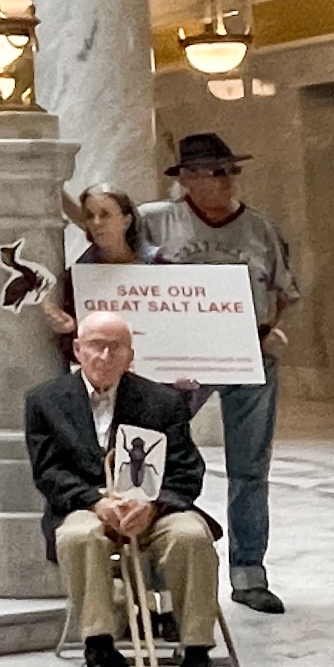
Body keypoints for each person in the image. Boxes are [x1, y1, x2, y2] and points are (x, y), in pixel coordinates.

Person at [25, 312, 228, 667]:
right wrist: (96, 501)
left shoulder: (163, 402)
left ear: (130, 355)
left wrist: (153, 506)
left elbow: (187, 471)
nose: (104, 355)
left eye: (115, 347)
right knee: (79, 536)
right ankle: (101, 654)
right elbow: (48, 472)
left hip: (153, 507)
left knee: (191, 534)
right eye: (95, 345)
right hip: (87, 506)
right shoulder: (44, 401)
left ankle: (197, 659)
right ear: (77, 349)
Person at [134, 132, 300, 615]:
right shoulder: (153, 221)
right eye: (215, 172)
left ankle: (249, 574)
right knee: (157, 458)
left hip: (248, 354)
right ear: (187, 178)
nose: (228, 180)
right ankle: (158, 572)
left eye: (232, 171)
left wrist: (265, 332)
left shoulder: (260, 227)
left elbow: (283, 291)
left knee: (251, 468)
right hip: (179, 359)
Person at [44, 184, 166, 351]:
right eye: (89, 216)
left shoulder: (160, 264)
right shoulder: (78, 275)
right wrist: (66, 322)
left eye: (105, 215)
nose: (96, 223)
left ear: (126, 220)